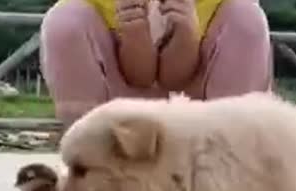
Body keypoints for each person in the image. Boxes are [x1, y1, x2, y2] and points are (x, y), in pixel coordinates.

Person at [39, 0, 273, 132]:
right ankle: (90, 151)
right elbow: (140, 79)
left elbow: (175, 80)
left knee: (246, 17)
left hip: (198, 103)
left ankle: (232, 152)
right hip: (118, 101)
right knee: (65, 20)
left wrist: (186, 35)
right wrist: (135, 33)